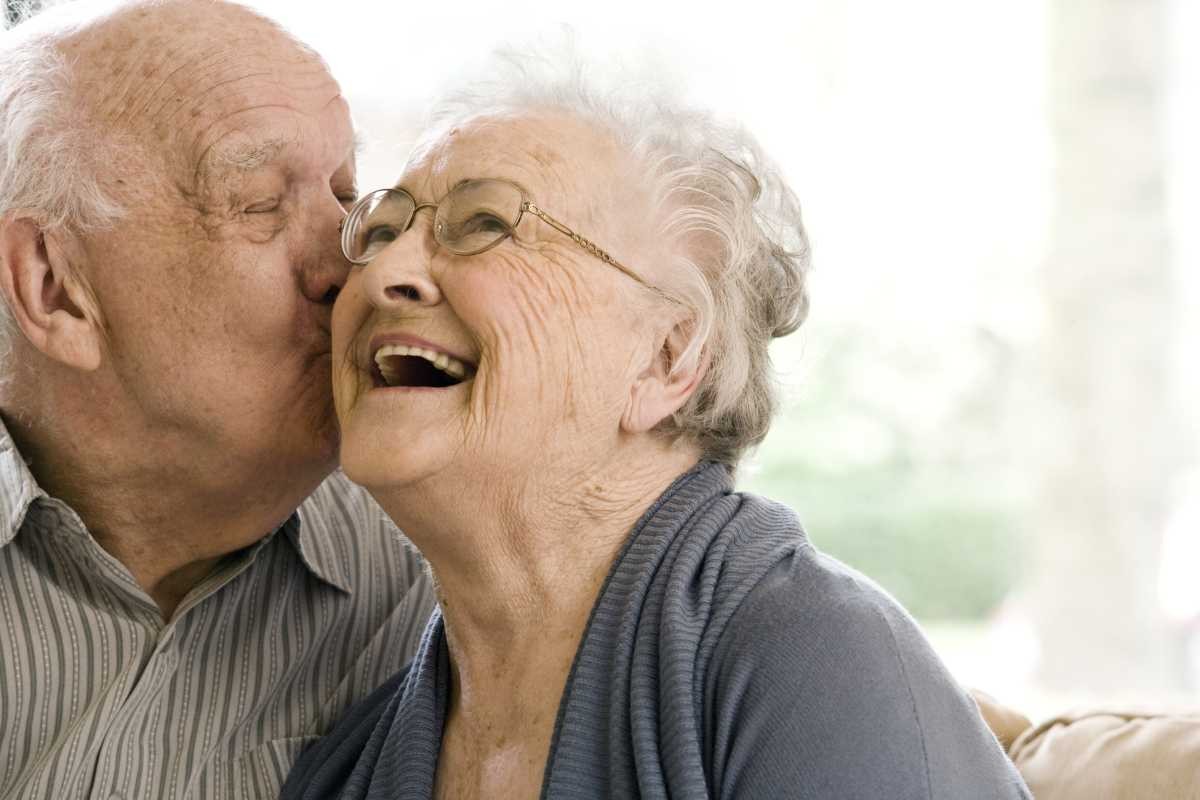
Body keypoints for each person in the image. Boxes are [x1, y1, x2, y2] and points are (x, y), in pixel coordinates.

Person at [281, 54, 1032, 799]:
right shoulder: (348, 767)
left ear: (665, 360)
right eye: (380, 232)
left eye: (484, 224)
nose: (381, 276)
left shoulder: (810, 661)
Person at [0, 1, 433, 796]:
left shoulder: (432, 579)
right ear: (54, 288)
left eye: (347, 198)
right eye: (261, 204)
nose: (350, 272)